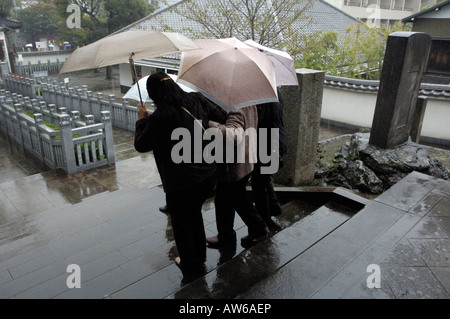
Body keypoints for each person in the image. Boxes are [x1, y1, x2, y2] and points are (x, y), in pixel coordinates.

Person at [134, 71, 226, 284]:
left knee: (181, 222)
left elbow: (141, 145)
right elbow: (221, 116)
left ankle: (191, 266)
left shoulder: (160, 118)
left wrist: (141, 121)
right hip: (206, 174)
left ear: (154, 94)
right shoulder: (197, 99)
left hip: (180, 181)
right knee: (194, 213)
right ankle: (199, 257)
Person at [206, 105, 268, 249]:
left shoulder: (235, 104)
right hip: (246, 157)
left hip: (234, 163)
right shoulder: (250, 100)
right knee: (233, 197)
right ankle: (248, 229)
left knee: (226, 198)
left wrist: (208, 123)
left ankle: (230, 235)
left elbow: (233, 135)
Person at [251, 89, 287, 231]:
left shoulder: (261, 97)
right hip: (277, 138)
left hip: (267, 143)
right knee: (264, 178)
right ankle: (274, 207)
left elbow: (258, 120)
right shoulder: (274, 90)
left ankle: (264, 219)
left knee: (258, 183)